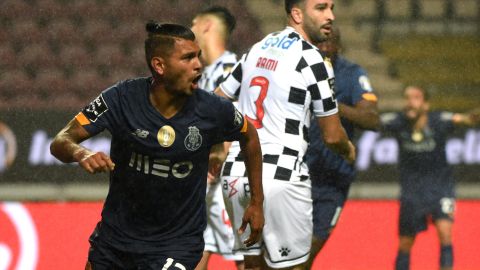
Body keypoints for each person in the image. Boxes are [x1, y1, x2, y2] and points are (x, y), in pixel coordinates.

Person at [50, 21, 264, 270]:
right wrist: (81, 152)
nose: (198, 65)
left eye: (198, 56)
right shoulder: (120, 99)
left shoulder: (213, 108)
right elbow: (61, 141)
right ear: (159, 65)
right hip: (116, 240)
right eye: (187, 58)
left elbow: (250, 137)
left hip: (177, 244)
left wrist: (256, 202)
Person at [215, 0, 356, 269]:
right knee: (295, 266)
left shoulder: (256, 49)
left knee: (252, 265)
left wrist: (216, 148)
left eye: (332, 8)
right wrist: (350, 151)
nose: (331, 16)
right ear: (297, 14)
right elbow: (332, 136)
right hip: (281, 176)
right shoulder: (313, 60)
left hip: (236, 173)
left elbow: (216, 101)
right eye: (321, 8)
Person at [381, 85, 480, 270]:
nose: (410, 102)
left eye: (416, 97)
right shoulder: (397, 122)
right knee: (405, 243)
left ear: (426, 104)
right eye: (407, 97)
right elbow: (371, 122)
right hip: (412, 192)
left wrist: (473, 115)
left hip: (441, 188)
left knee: (445, 233)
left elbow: (467, 119)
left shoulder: (439, 120)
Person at [304, 27, 380, 268]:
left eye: (331, 43)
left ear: (339, 46)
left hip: (334, 180)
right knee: (283, 253)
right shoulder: (301, 71)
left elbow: (372, 119)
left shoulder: (352, 74)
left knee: (308, 254)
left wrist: (332, 104)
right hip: (299, 175)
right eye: (321, 43)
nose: (325, 48)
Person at [190, 6, 244, 270]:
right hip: (209, 180)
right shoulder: (208, 73)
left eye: (193, 24)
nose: (190, 31)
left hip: (228, 178)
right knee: (199, 247)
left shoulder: (230, 69)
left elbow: (235, 118)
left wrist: (218, 157)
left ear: (206, 26)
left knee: (244, 255)